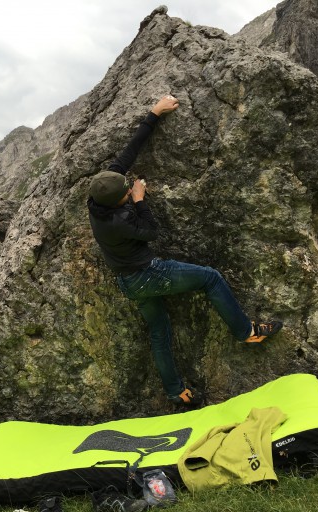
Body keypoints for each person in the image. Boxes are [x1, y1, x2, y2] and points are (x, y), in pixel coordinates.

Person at [86, 94, 282, 410]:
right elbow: (150, 231)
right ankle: (247, 331)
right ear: (119, 200)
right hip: (147, 274)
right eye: (125, 191)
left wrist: (154, 113)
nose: (128, 186)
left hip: (128, 282)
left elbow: (129, 151)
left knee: (160, 332)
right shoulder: (118, 219)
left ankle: (176, 393)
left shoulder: (100, 194)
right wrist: (138, 199)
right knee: (211, 278)